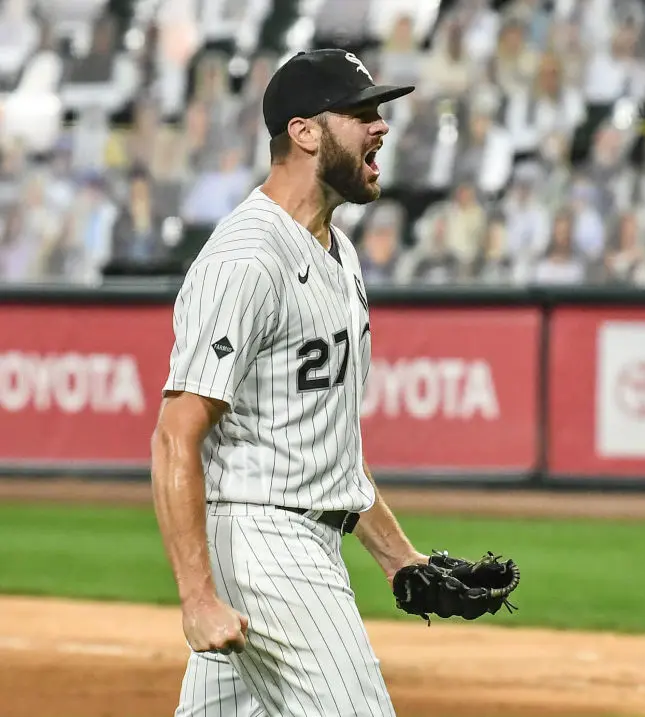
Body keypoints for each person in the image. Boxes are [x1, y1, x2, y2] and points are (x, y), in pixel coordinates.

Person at [150, 48, 424, 716]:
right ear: (304, 132)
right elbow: (174, 436)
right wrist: (196, 596)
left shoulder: (338, 249)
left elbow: (323, 444)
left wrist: (398, 557)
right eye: (362, 113)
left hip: (303, 539)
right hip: (267, 549)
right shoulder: (247, 257)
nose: (380, 126)